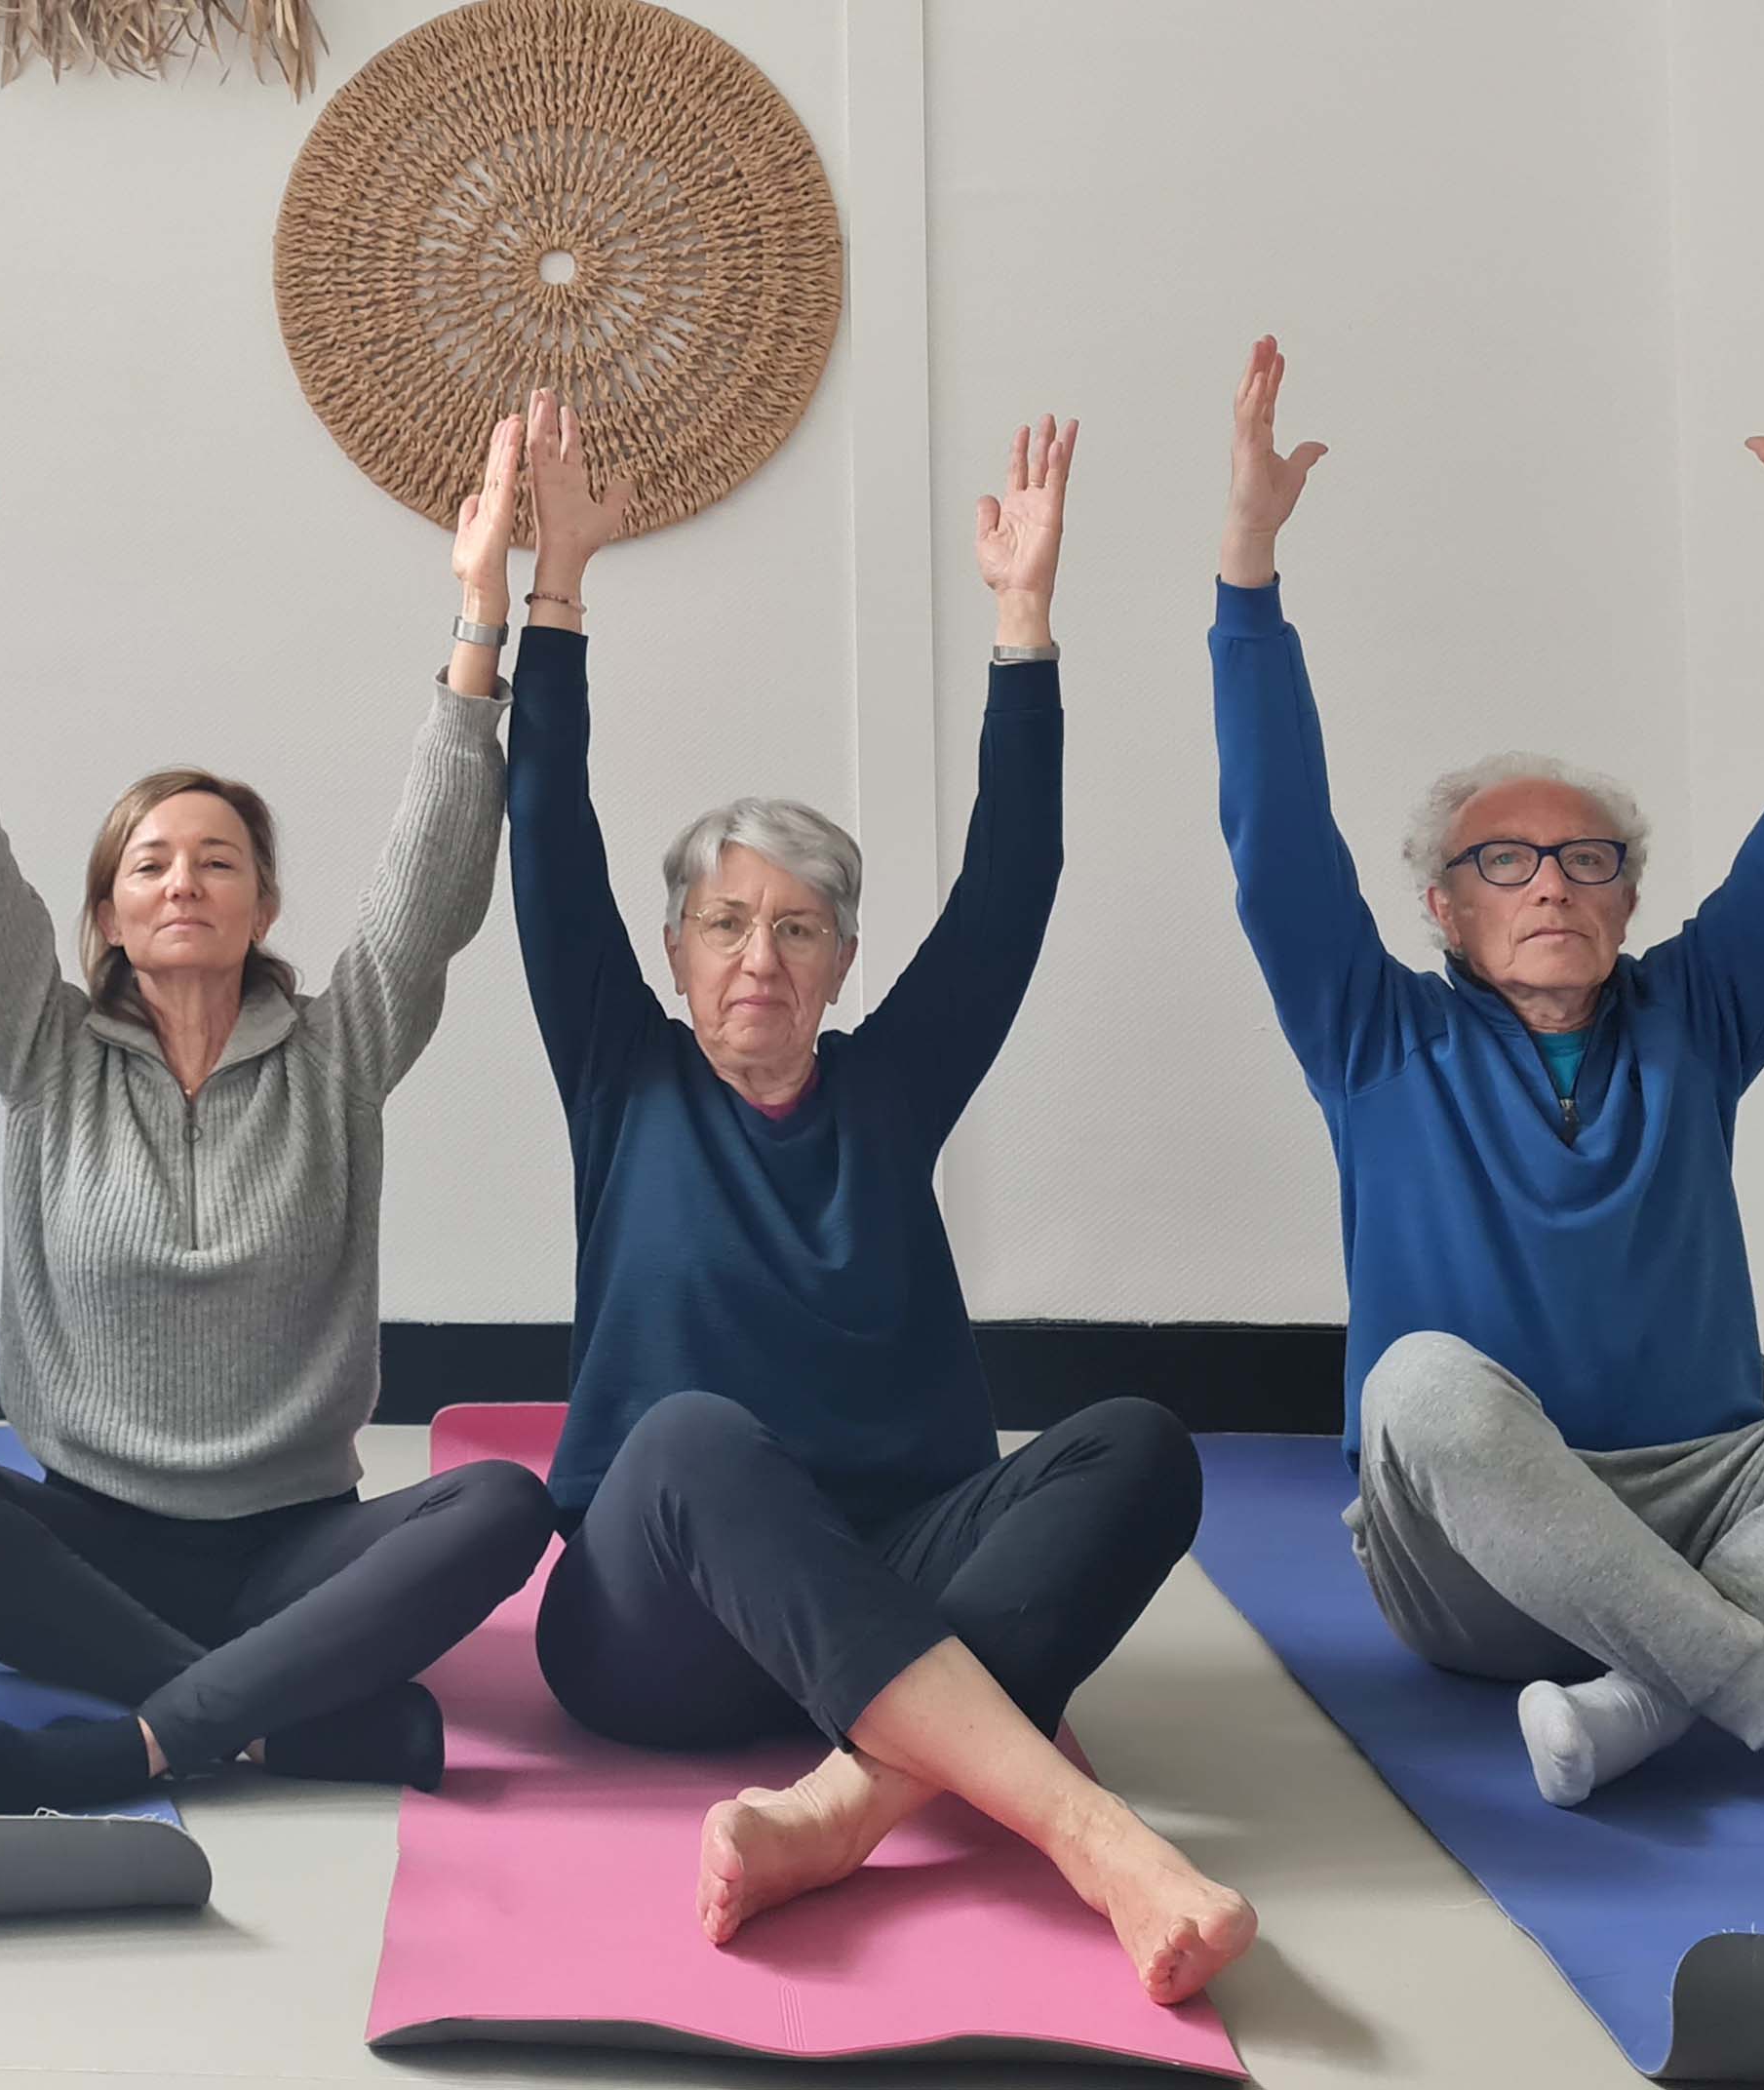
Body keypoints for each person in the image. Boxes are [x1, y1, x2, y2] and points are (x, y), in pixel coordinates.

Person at [1211, 332, 1764, 1866]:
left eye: (1589, 858)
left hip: (1715, 1503)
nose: (1552, 882)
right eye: (1505, 862)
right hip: (1479, 1549)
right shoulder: (1373, 1034)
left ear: (1627, 899)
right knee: (1420, 1385)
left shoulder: (1699, 1013)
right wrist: (1250, 576)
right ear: (1441, 911)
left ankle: (1640, 1705)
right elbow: (1273, 842)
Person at [513, 408, 1252, 2005]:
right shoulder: (622, 1077)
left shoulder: (891, 1087)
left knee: (1139, 1441)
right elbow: (547, 842)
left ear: (843, 964)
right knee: (694, 1437)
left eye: (797, 929)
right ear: (675, 954)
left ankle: (849, 1804)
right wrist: (555, 591)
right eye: (725, 924)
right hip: (667, 1629)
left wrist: (1023, 630)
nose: (759, 959)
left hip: (895, 1563)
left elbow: (1013, 884)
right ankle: (1088, 1836)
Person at [0, 399, 559, 1817]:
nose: (185, 881)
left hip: (295, 1547)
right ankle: (278, 1722)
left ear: (265, 903)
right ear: (106, 911)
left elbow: (431, 879)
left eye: (220, 860)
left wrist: (481, 615)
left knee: (506, 1502)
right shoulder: (43, 1046)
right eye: (153, 863)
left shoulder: (340, 1047)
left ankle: (141, 1740)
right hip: (91, 1538)